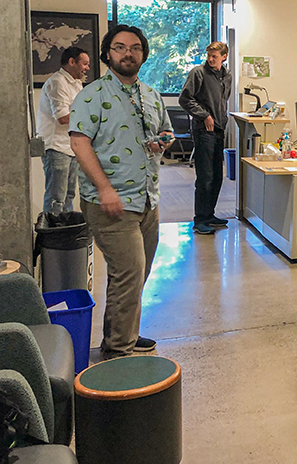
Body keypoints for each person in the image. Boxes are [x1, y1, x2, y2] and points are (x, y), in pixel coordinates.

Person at [70, 24, 174, 359]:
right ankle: (118, 352)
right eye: (119, 47)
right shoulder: (92, 95)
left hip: (147, 199)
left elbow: (165, 132)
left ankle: (121, 333)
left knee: (135, 274)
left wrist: (162, 142)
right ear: (107, 53)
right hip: (111, 202)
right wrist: (104, 189)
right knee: (128, 272)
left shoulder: (151, 95)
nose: (127, 53)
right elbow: (79, 141)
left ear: (143, 54)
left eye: (135, 48)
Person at [178, 41, 233, 235]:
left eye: (214, 56)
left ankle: (209, 214)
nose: (210, 59)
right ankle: (200, 219)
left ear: (224, 57)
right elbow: (185, 99)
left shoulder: (227, 76)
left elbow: (223, 101)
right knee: (205, 177)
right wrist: (204, 115)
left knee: (217, 175)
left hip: (219, 129)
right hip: (203, 130)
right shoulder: (198, 73)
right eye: (209, 55)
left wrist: (221, 120)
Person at [37, 46, 90, 215]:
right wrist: (90, 117)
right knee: (56, 198)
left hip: (71, 147)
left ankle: (65, 236)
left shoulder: (76, 84)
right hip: (56, 148)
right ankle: (53, 237)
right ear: (72, 62)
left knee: (68, 195)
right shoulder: (57, 82)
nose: (87, 68)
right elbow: (63, 118)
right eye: (84, 64)